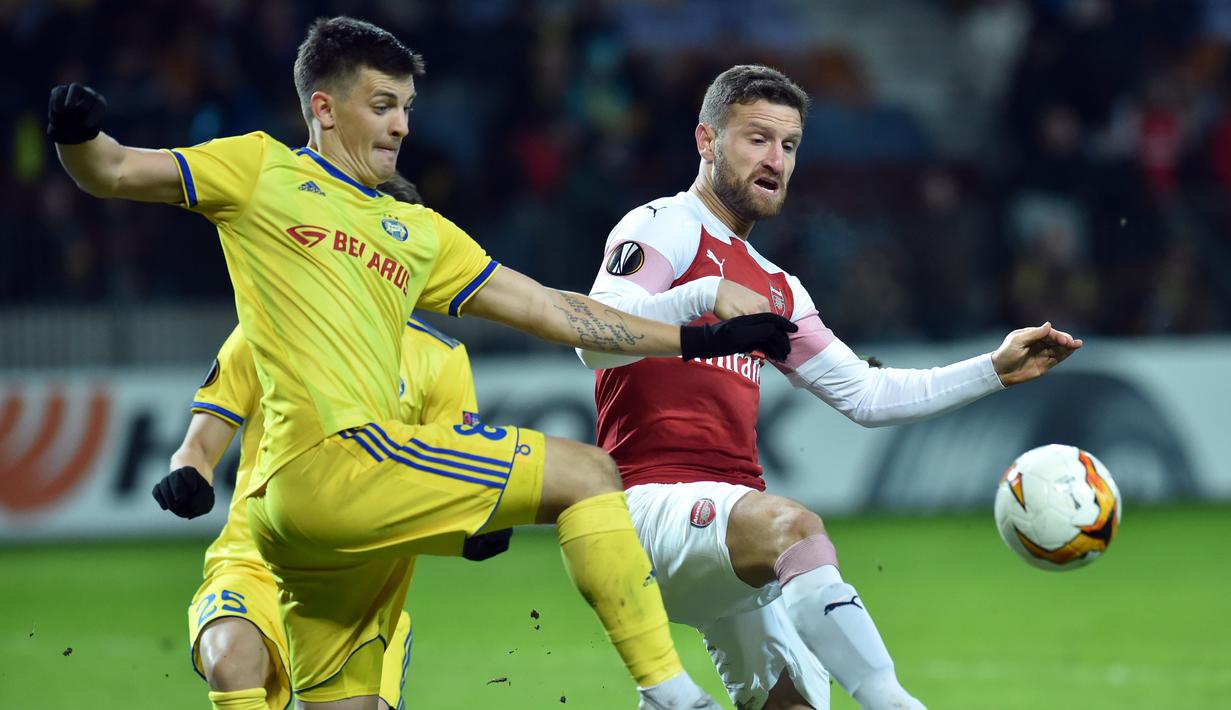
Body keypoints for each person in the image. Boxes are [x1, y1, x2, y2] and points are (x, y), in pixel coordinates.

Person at [49, 17, 797, 710]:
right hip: (330, 462)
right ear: (324, 108)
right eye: (382, 105)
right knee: (589, 473)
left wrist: (695, 340)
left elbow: (549, 308)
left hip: (314, 530)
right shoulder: (257, 169)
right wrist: (78, 137)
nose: (402, 124)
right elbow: (112, 170)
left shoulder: (418, 231)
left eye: (406, 107)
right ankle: (671, 693)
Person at [578, 64, 1082, 710]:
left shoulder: (777, 286)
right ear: (706, 141)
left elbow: (866, 396)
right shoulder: (663, 226)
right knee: (795, 527)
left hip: (729, 535)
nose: (776, 160)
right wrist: (701, 296)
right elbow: (592, 337)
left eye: (789, 145)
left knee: (793, 704)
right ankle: (893, 703)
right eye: (757, 139)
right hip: (648, 512)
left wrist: (994, 368)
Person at [152, 176, 506, 710]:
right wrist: (189, 475)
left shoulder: (441, 360)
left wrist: (471, 524)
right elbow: (198, 446)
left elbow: (456, 468)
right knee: (229, 657)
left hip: (363, 590)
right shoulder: (267, 326)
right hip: (256, 561)